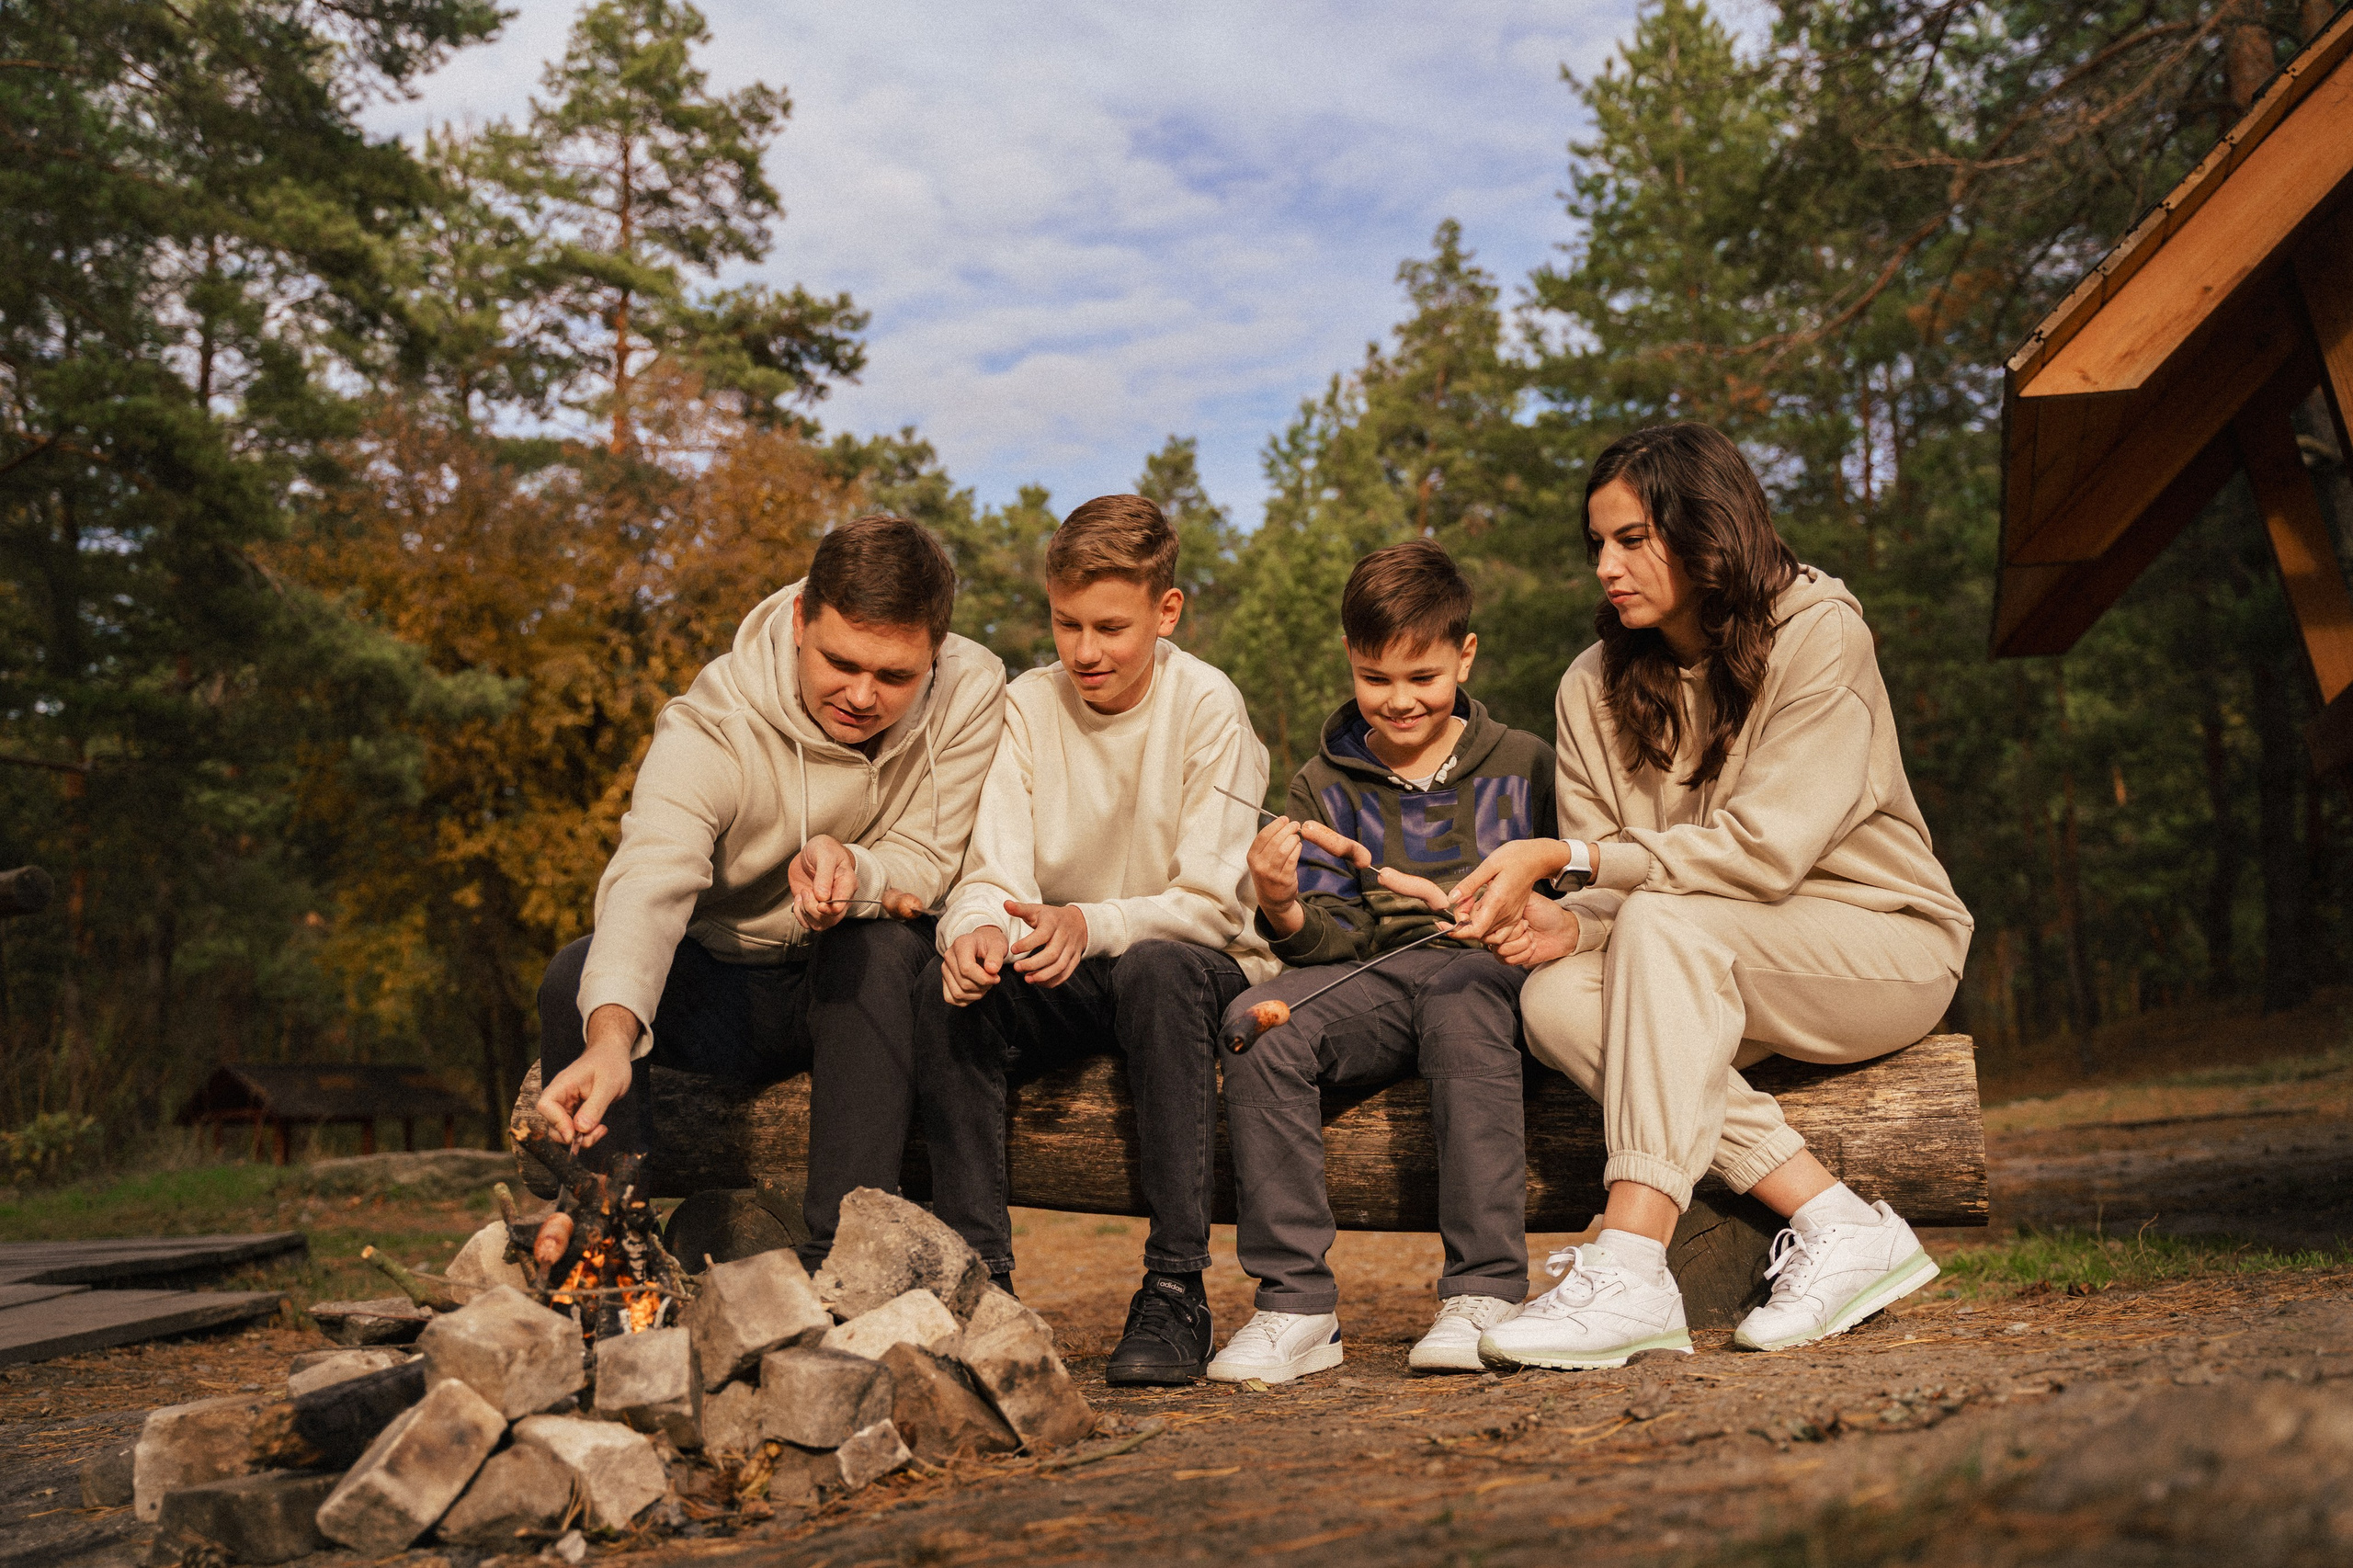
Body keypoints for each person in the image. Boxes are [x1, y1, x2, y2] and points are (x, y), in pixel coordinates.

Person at [1447, 422, 1974, 1369]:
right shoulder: (1589, 684)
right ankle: (1835, 1219)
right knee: (1557, 998)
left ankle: (1632, 1256)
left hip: (1880, 943)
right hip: (1708, 955)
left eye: (1632, 538)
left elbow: (1763, 854)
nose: (1605, 565)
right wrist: (1565, 919)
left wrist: (1571, 856)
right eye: (1596, 543)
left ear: (1707, 528)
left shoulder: (1819, 632)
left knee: (1665, 924)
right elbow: (1629, 899)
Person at [533, 514, 1006, 1269]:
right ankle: (612, 1258)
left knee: (882, 949)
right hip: (723, 989)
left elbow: (930, 853)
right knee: (574, 978)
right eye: (840, 662)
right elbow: (650, 878)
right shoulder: (711, 727)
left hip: (856, 994)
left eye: (895, 676)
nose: (861, 695)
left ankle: (841, 1263)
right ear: (798, 620)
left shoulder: (973, 690)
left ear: (936, 656)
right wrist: (612, 1038)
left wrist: (859, 873)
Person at [914, 493, 1276, 1386]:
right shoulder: (1022, 709)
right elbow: (991, 875)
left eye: (1110, 626)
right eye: (1065, 623)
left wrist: (1092, 922)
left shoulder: (1209, 709)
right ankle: (983, 1289)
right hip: (1062, 962)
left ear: (1167, 610)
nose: (1084, 651)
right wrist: (974, 933)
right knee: (951, 987)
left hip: (1187, 961)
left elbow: (1212, 905)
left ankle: (1175, 1287)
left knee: (1155, 967)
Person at [1203, 539, 1558, 1384]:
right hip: (1383, 978)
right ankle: (1296, 1305)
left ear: (1464, 656)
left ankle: (1486, 1287)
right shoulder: (1322, 784)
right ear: (1350, 661)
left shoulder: (1525, 764)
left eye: (1423, 679)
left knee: (1461, 998)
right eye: (1376, 678)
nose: (1399, 702)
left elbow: (1574, 892)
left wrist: (1527, 920)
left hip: (1496, 975)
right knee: (1257, 1027)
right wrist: (1281, 903)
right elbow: (1333, 941)